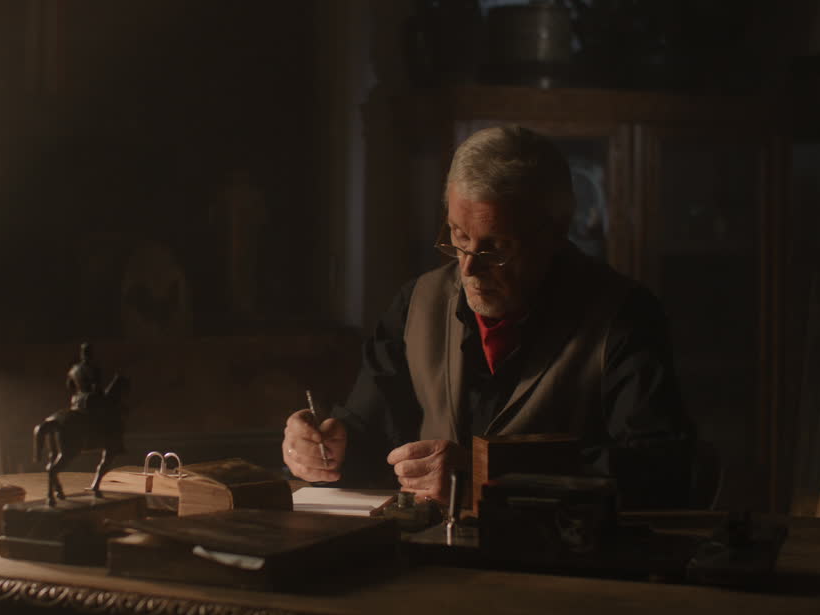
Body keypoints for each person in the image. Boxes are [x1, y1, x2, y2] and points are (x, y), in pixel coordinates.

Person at [281, 125, 695, 510]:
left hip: (563, 569)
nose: (467, 270)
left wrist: (492, 476)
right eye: (459, 237)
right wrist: (329, 450)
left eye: (496, 247)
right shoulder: (417, 303)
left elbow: (661, 470)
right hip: (432, 566)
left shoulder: (623, 316)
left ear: (556, 232)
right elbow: (369, 433)